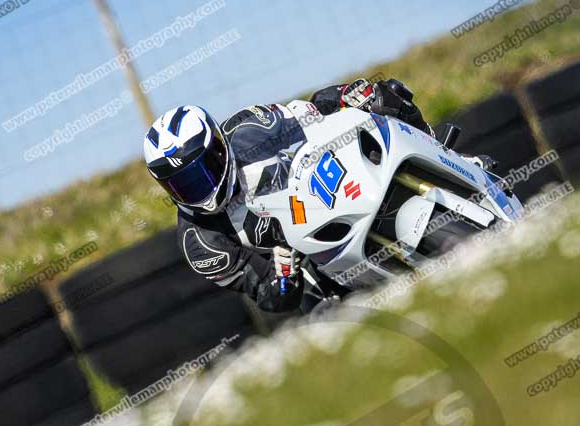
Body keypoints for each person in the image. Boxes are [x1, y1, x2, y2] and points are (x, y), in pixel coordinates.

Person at [143, 78, 433, 317]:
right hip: (314, 259)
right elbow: (269, 297)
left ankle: (447, 153)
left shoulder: (250, 129)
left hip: (337, 182)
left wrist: (347, 95)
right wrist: (283, 274)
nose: (202, 189)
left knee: (387, 95)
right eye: (184, 185)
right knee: (323, 314)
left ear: (219, 147)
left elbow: (314, 110)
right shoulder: (200, 242)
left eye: (204, 172)